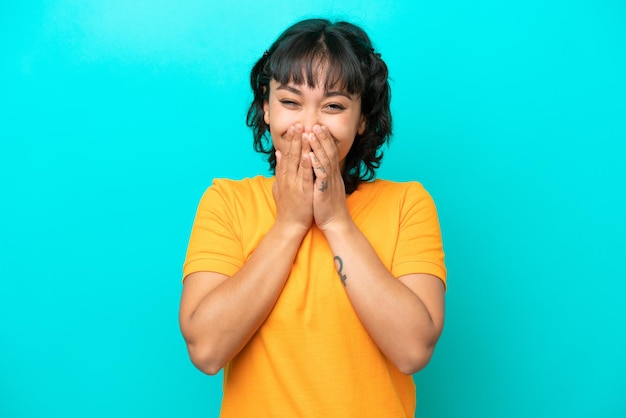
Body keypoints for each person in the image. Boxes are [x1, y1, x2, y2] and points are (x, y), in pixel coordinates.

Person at [179, 18, 446, 417]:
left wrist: (337, 221)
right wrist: (289, 224)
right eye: (289, 101)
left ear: (363, 121)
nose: (308, 126)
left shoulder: (408, 204)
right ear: (266, 109)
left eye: (334, 106)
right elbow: (206, 350)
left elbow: (412, 350)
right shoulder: (226, 202)